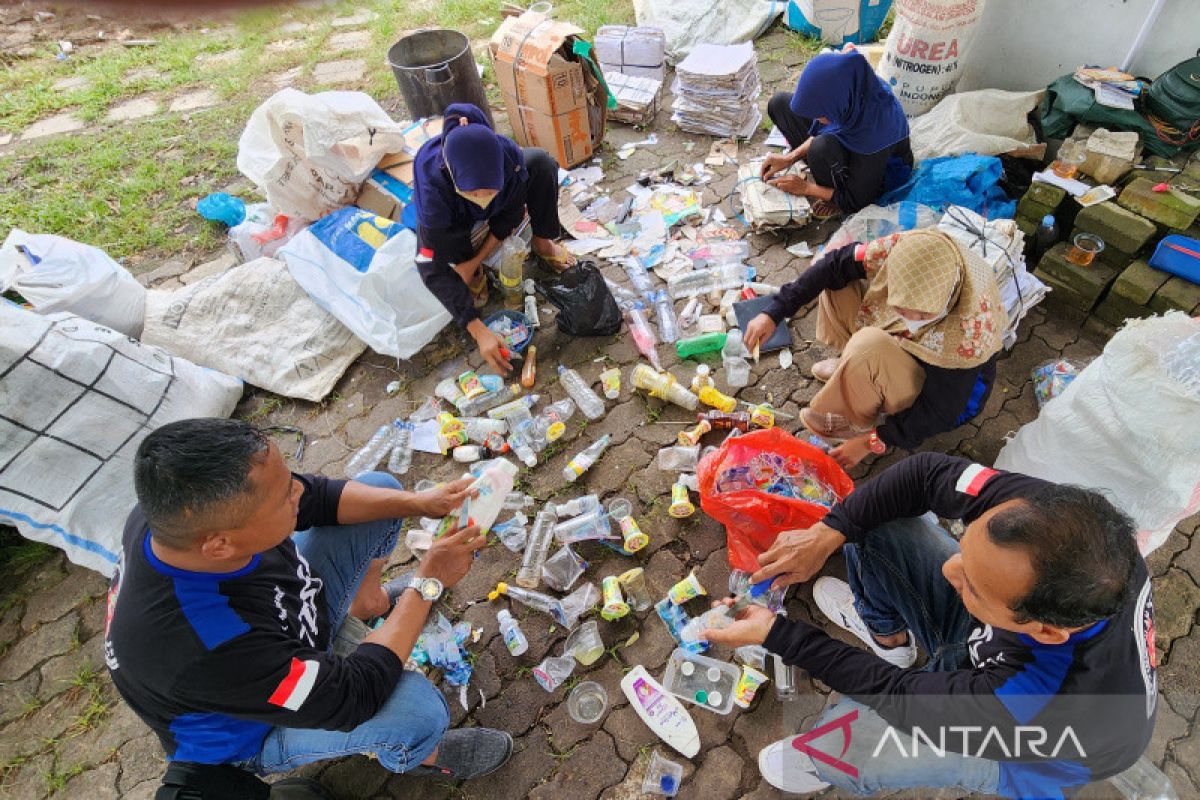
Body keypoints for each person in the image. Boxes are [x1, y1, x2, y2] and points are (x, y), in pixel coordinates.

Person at [704, 453, 1156, 799]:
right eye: (965, 545)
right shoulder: (1075, 528)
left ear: (1045, 630)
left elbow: (895, 695)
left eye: (974, 585)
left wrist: (775, 633)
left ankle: (826, 763)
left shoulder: (1036, 704)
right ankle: (892, 639)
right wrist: (828, 532)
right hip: (1005, 657)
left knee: (850, 739)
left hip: (1027, 745)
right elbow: (924, 474)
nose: (948, 570)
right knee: (875, 521)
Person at [104, 418, 514, 784]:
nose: (300, 489)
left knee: (380, 492)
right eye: (285, 495)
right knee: (418, 714)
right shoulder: (207, 648)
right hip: (260, 726)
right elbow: (353, 696)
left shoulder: (173, 516)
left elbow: (317, 498)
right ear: (219, 545)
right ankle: (423, 755)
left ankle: (367, 607)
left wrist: (420, 502)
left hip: (283, 633)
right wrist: (427, 583)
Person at [743, 229, 1007, 469]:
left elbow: (940, 412)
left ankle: (858, 411)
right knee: (836, 282)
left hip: (940, 394)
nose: (907, 317)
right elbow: (832, 264)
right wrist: (774, 312)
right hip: (905, 349)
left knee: (868, 347)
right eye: (899, 307)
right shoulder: (904, 250)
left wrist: (873, 440)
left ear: (945, 303)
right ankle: (858, 371)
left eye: (918, 313)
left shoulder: (969, 334)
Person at [414, 102, 576, 375]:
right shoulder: (434, 188)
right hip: (453, 216)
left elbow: (511, 214)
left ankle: (542, 243)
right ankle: (472, 268)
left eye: (489, 190)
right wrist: (477, 329)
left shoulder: (508, 157)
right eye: (476, 193)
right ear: (454, 177)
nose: (483, 198)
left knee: (542, 164)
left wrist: (479, 255)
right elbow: (427, 263)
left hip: (500, 209)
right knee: (448, 240)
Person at [762, 49, 912, 217]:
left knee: (820, 148)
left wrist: (806, 188)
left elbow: (860, 200)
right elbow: (824, 127)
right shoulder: (849, 89)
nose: (817, 121)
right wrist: (790, 157)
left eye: (820, 115)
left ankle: (836, 199)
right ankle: (824, 170)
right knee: (779, 104)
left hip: (878, 173)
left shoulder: (877, 131)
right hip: (852, 139)